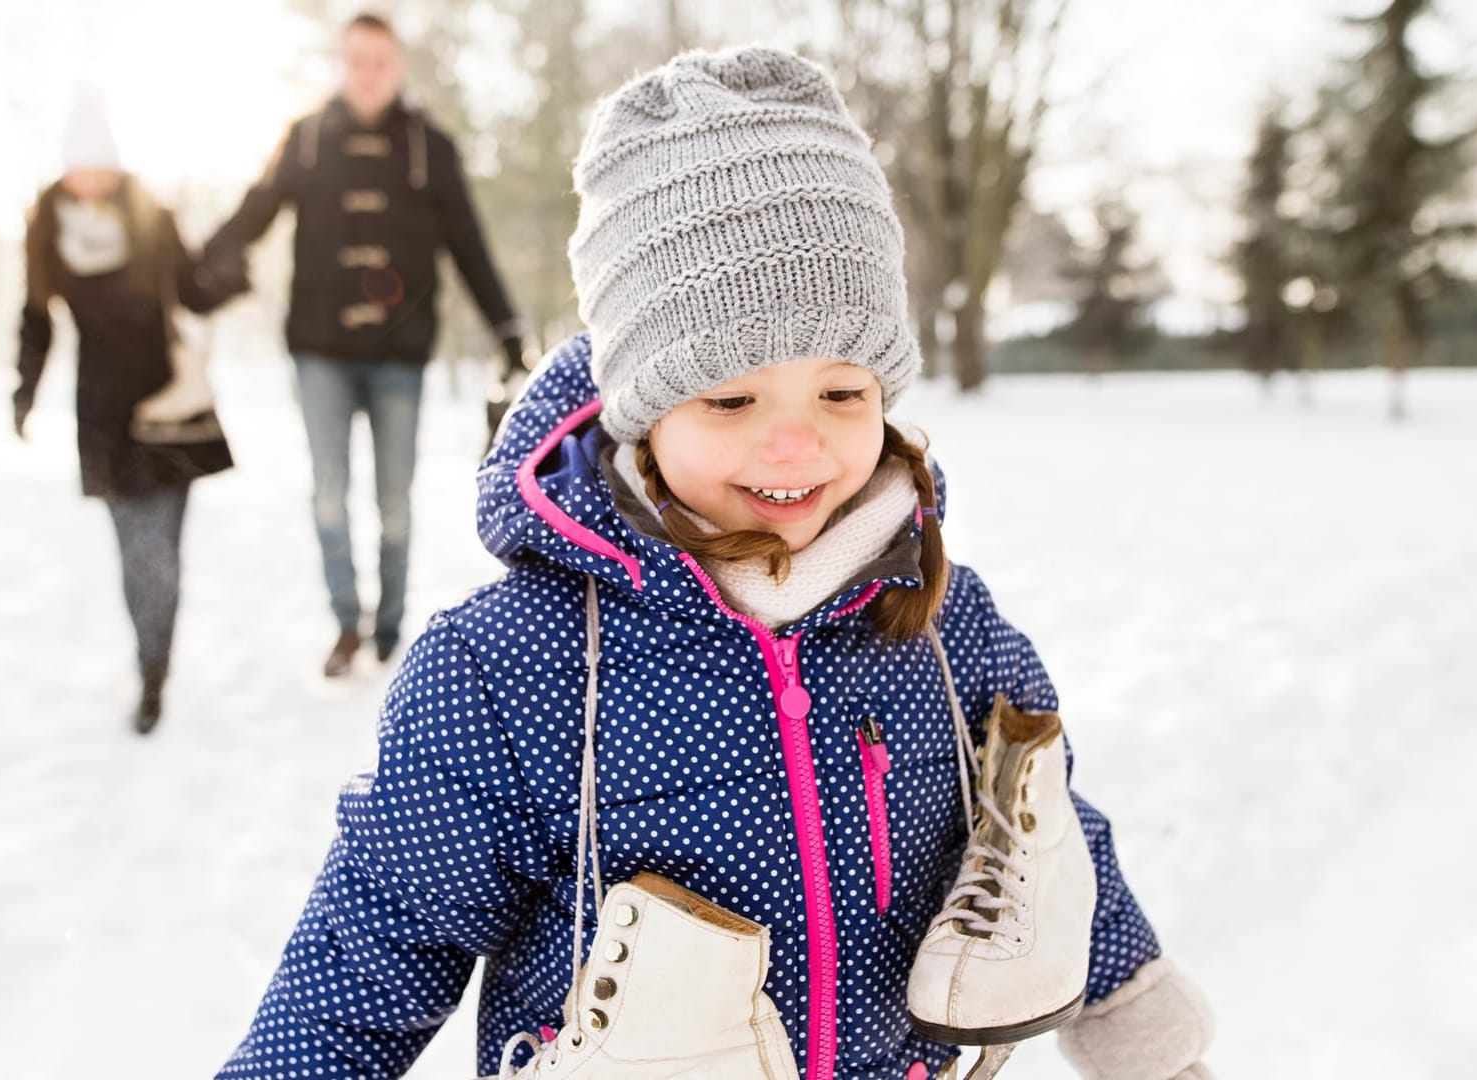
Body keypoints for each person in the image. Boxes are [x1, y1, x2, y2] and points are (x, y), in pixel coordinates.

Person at [215, 48, 1214, 1079]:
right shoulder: (508, 670)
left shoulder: (940, 619)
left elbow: (1042, 827)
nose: (797, 448)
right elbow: (371, 953)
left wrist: (1136, 1017)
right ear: (641, 412)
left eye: (843, 394)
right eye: (731, 400)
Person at [202, 11, 525, 677]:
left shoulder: (428, 147)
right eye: (357, 60)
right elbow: (256, 210)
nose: (368, 73)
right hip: (319, 348)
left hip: (399, 355)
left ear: (397, 65)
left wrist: (507, 329)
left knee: (395, 502)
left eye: (380, 60)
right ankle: (345, 621)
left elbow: (468, 243)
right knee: (328, 493)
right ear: (342, 63)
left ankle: (389, 624)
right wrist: (206, 261)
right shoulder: (307, 138)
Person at [14, 89, 235, 735]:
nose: (92, 180)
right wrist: (23, 391)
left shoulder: (150, 215)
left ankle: (155, 660)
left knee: (161, 552)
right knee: (135, 553)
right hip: (103, 415)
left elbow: (194, 288)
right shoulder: (47, 227)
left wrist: (227, 271)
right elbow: (35, 320)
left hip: (169, 406)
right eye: (81, 167)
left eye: (101, 165)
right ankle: (151, 665)